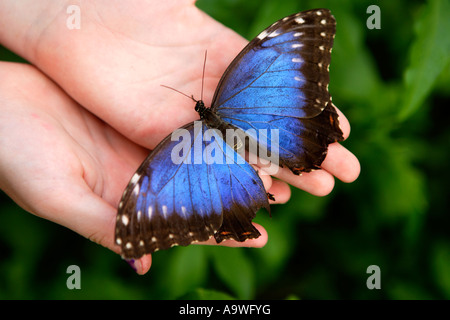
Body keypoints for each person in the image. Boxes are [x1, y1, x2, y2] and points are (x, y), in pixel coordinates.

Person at [0, 0, 360, 275]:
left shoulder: (184, 141)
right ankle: (292, 152)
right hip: (272, 127)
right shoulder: (230, 91)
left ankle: (284, 160)